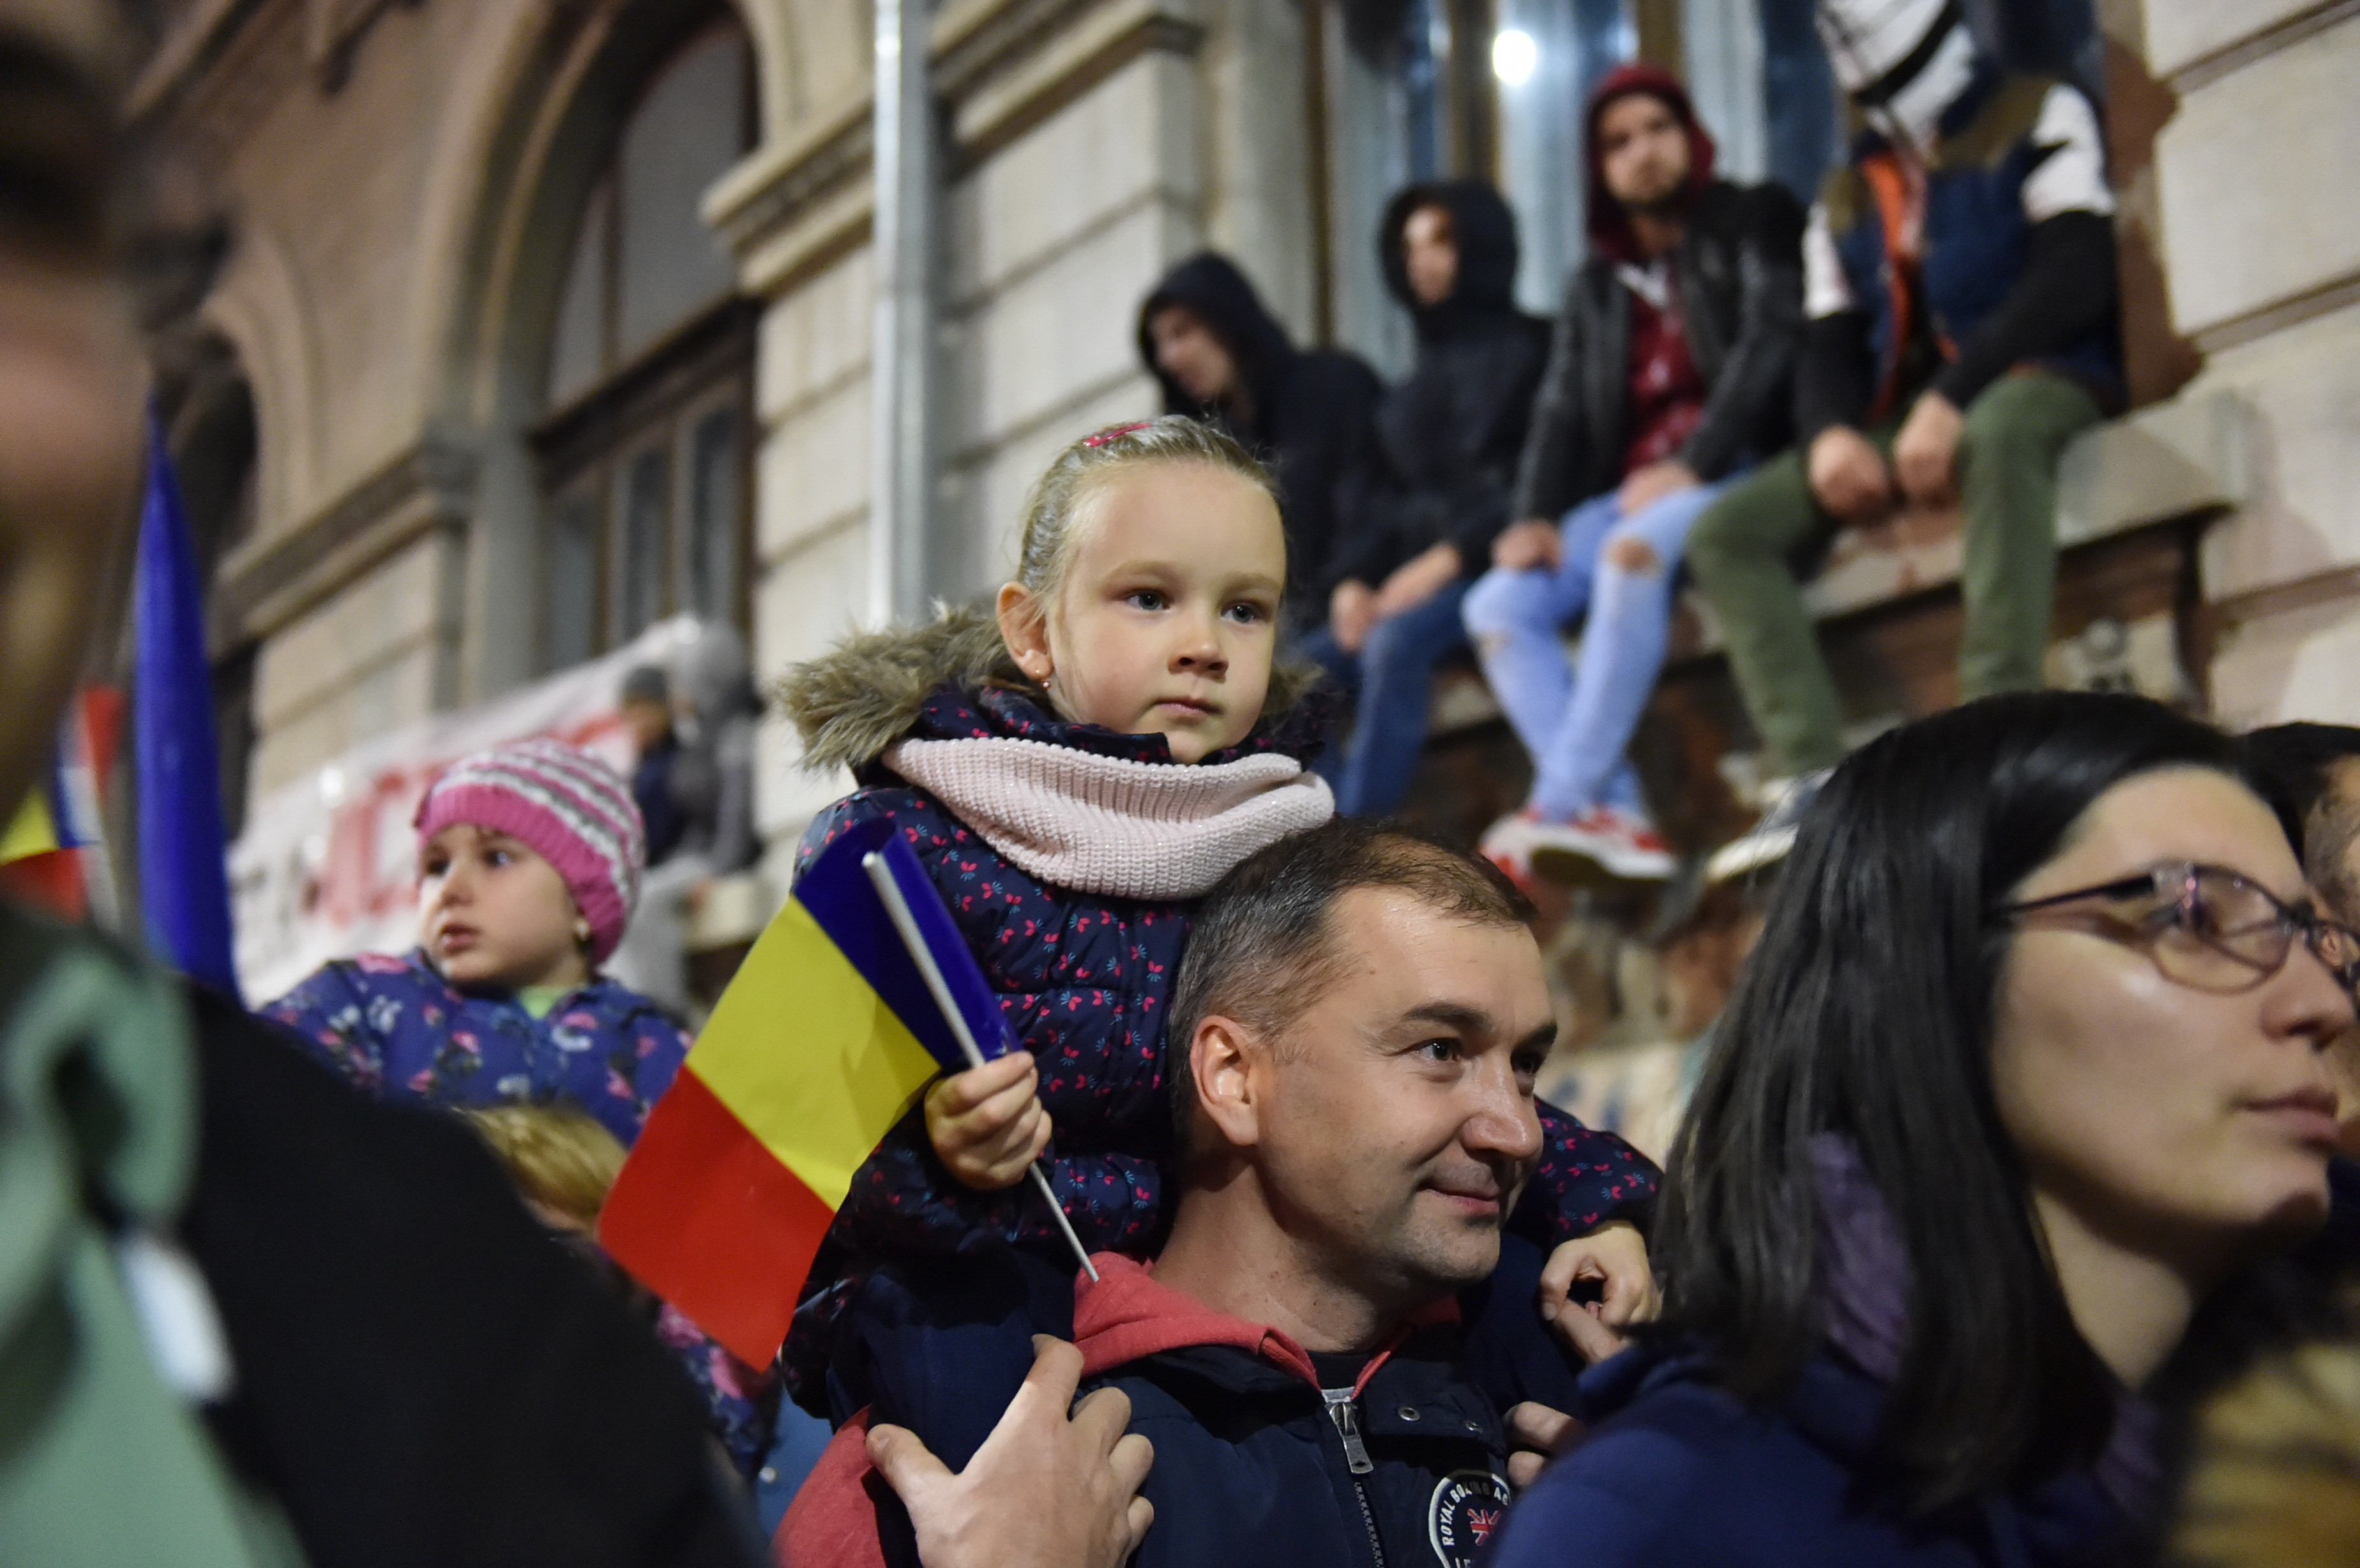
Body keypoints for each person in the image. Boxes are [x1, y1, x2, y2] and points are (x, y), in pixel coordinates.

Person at [773, 418, 1658, 1469]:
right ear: (1033, 630)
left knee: (1532, 1314)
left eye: (1245, 608)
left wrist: (1599, 1208)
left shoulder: (1291, 847)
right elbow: (789, 1151)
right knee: (997, 1458)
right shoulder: (892, 845)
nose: (1203, 643)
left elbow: (1439, 1063)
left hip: (1234, 1268)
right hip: (974, 1270)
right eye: (1148, 598)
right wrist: (941, 1154)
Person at [1483, 690, 2360, 1567]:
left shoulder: (2311, 1463)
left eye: (2312, 938)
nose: (2321, 1005)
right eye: (2193, 914)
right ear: (1930, 973)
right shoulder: (1667, 1524)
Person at [782, 820, 1660, 1568]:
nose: (1517, 1131)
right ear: (1234, 1076)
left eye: (1526, 1066)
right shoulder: (955, 1468)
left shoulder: (1588, 1409)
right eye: (1439, 1051)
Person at [1688, 0, 2123, 878]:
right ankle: (1812, 771)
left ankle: (1995, 726)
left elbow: (2074, 274)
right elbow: (1829, 339)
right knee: (1729, 530)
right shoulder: (1849, 188)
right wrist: (1829, 435)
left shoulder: (2041, 112)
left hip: (2041, 373)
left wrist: (1959, 394)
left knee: (2000, 436)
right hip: (1906, 403)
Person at [1465, 64, 1805, 886]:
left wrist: (1694, 464)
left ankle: (1554, 804)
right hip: (1628, 494)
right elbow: (1560, 411)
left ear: (1690, 137)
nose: (1643, 153)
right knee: (1498, 603)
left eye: (1657, 129)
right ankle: (1616, 808)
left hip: (1737, 469)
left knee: (1629, 558)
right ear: (1599, 168)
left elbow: (1770, 345)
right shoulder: (1595, 285)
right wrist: (1537, 513)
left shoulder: (1751, 220)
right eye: (1619, 142)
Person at [259, 739, 690, 1147]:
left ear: (584, 901)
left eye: (497, 858)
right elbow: (252, 1082)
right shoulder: (361, 1002)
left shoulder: (654, 1054)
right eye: (436, 865)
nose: (451, 889)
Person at [1302, 181, 1553, 816]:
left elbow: (1542, 476)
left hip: (1499, 567)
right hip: (1410, 585)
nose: (1423, 259)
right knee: (1290, 681)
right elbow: (1379, 507)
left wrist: (1447, 558)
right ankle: (1328, 835)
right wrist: (1351, 583)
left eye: (1442, 239)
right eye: (1410, 245)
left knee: (1394, 644)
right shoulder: (1405, 394)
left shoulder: (1537, 348)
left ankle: (1357, 842)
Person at [1137, 252, 1384, 631]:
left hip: (1354, 613)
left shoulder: (1334, 386)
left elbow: (1371, 500)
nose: (1169, 357)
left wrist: (1353, 578)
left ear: (1228, 321)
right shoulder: (1209, 451)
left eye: (1182, 332)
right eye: (1160, 344)